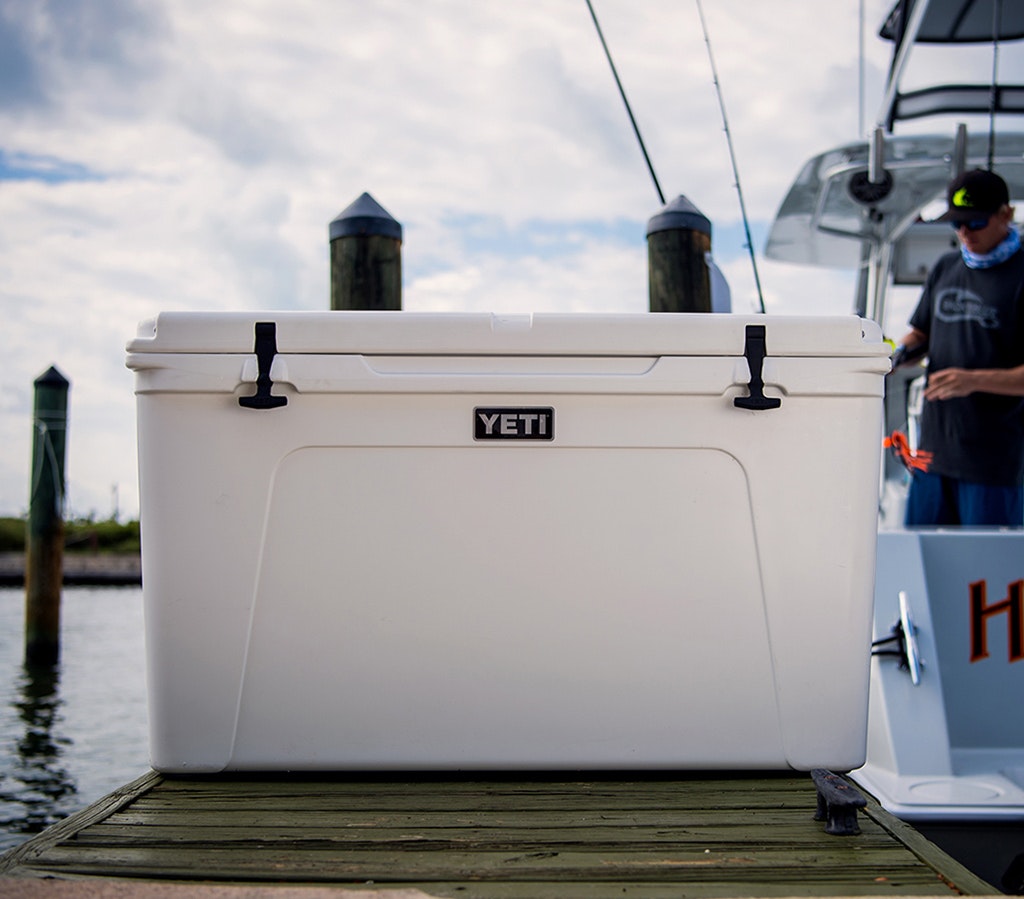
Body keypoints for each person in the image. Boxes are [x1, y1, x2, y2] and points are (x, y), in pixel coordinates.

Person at [893, 168, 1024, 527]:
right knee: (920, 551)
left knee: (983, 563)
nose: (965, 232)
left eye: (976, 222)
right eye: (957, 223)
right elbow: (920, 334)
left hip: (993, 466)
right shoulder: (945, 266)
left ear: (1006, 214)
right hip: (931, 456)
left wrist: (972, 380)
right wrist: (893, 355)